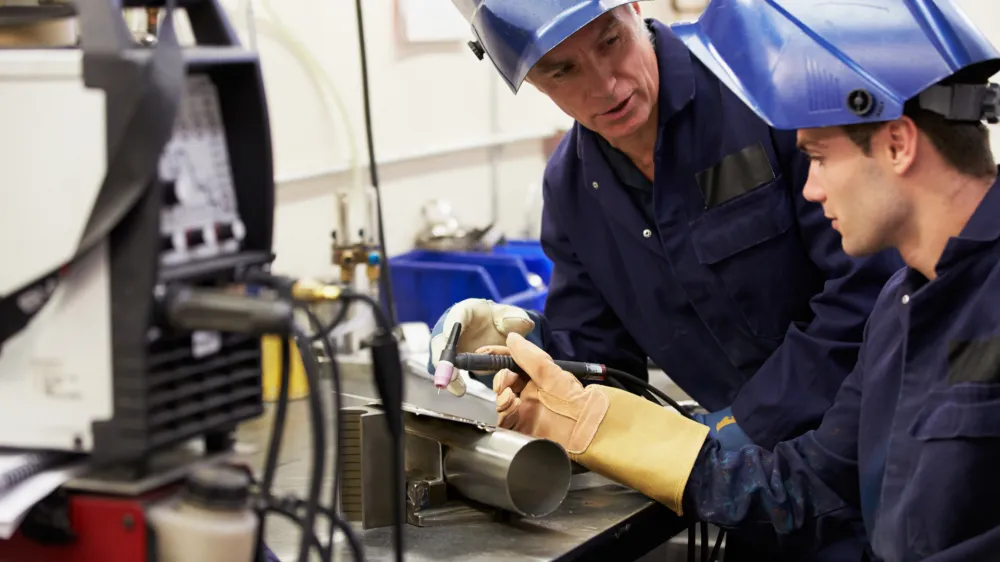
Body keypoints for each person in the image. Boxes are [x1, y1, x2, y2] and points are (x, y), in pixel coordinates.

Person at [490, 1, 1000, 560]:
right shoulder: (900, 314)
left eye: (820, 159)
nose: (811, 187)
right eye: (562, 70)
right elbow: (805, 481)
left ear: (898, 144)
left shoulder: (755, 97)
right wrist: (533, 356)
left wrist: (728, 430)